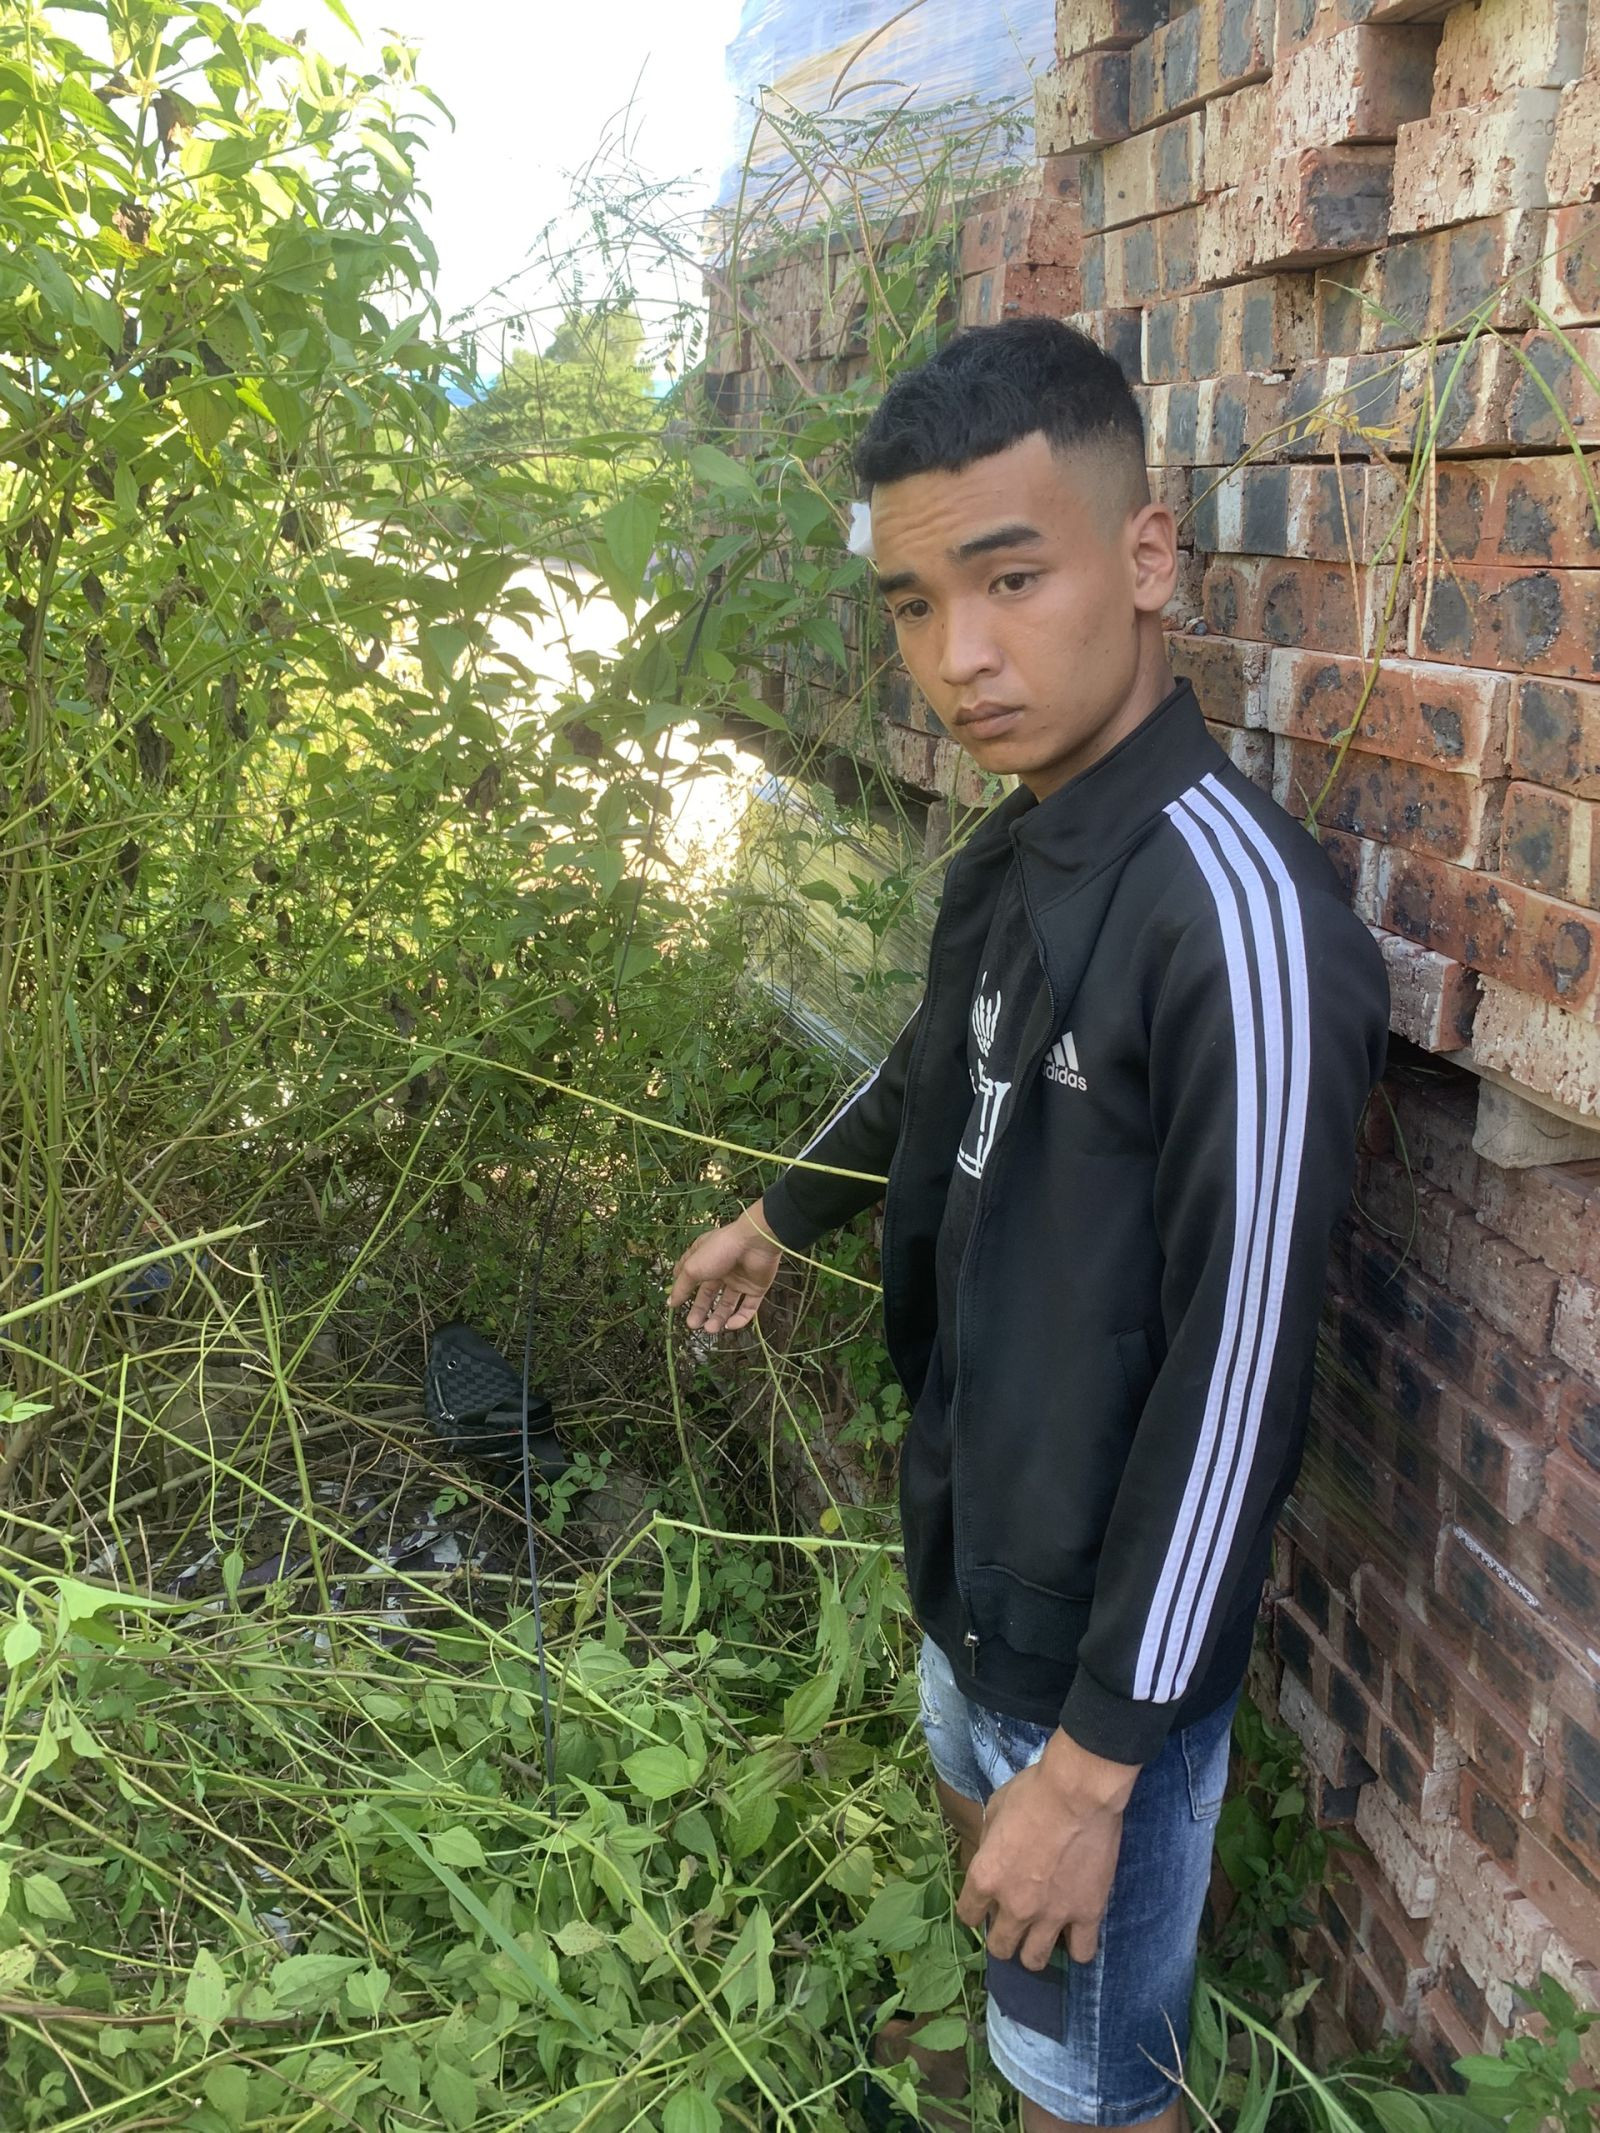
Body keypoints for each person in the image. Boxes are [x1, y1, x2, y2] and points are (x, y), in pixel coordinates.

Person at [669, 317, 1390, 2133]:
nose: (958, 657)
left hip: (1097, 1650)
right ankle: (993, 2045)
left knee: (1097, 2084)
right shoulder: (1023, 840)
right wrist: (782, 1212)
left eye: (1010, 579)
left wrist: (1094, 1764)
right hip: (973, 1540)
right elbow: (936, 1062)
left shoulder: (1233, 921)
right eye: (915, 606)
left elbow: (1240, 1377)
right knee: (998, 1914)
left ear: (1144, 557)